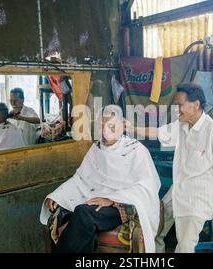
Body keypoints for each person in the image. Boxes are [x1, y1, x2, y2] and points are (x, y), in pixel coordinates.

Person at [128, 83, 213, 253]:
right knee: (152, 230)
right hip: (178, 191)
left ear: (196, 105)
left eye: (180, 105)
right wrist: (130, 128)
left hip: (198, 199)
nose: (177, 109)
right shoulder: (182, 125)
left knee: (185, 246)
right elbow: (156, 132)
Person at [39, 105, 161, 253]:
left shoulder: (136, 150)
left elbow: (147, 186)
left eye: (111, 126)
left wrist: (113, 200)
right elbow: (81, 179)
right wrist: (58, 196)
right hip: (96, 201)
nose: (105, 132)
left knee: (83, 213)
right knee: (82, 219)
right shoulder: (96, 149)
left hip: (122, 204)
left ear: (122, 126)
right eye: (101, 126)